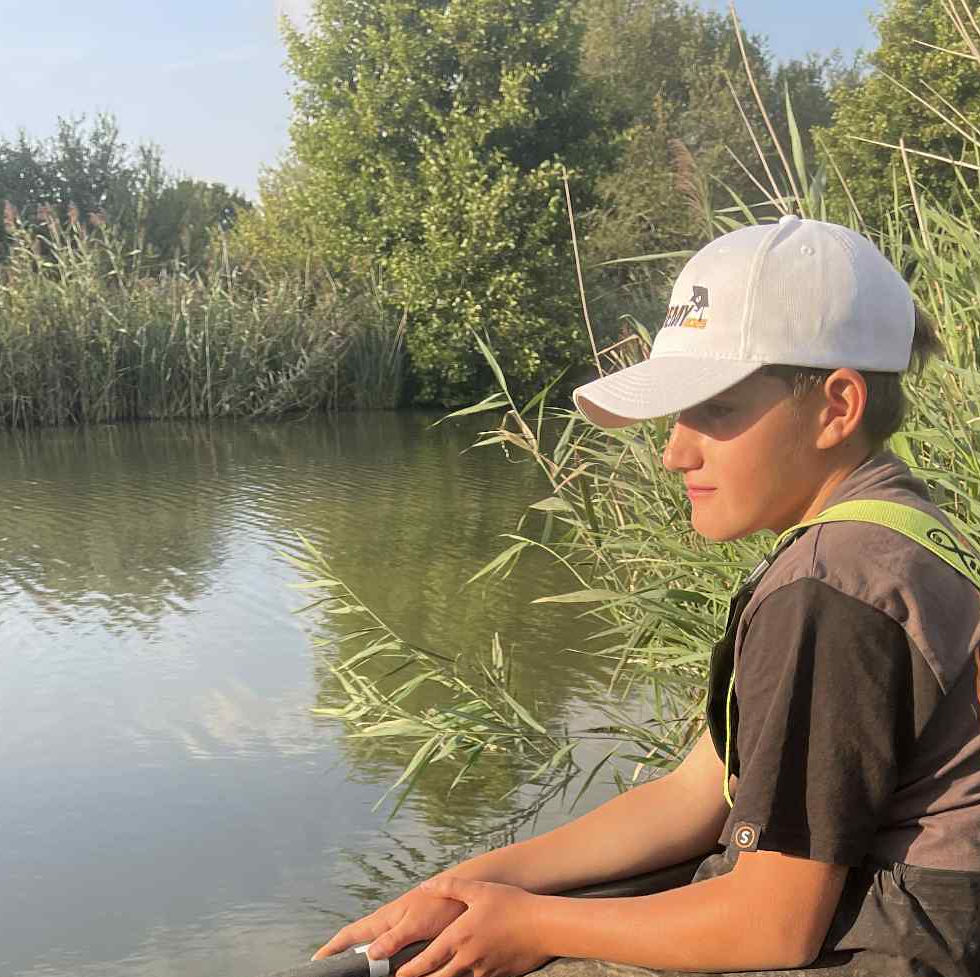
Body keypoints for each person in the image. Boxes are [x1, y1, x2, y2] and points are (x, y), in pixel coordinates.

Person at [312, 216, 980, 977]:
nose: (673, 451)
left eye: (716, 411)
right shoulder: (907, 531)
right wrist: (476, 883)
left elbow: (774, 923)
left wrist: (531, 925)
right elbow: (698, 791)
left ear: (837, 406)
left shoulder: (831, 588)